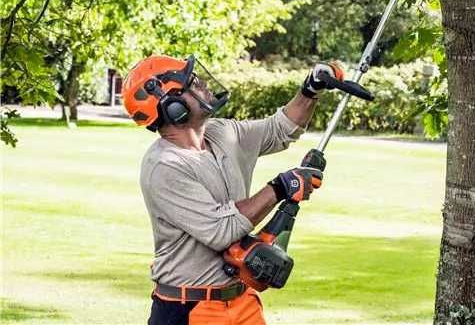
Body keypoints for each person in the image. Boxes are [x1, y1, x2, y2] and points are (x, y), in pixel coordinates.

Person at [122, 54, 340, 325]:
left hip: (241, 299)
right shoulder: (164, 166)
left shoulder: (222, 133)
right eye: (192, 83)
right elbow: (221, 231)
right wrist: (279, 188)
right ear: (172, 107)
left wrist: (311, 88)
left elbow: (281, 128)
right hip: (189, 307)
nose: (204, 85)